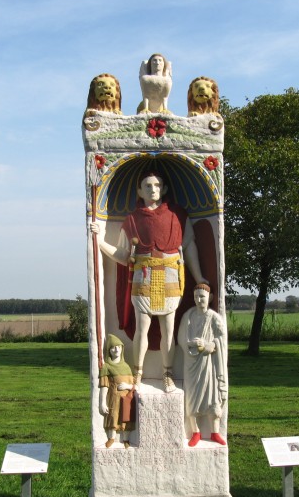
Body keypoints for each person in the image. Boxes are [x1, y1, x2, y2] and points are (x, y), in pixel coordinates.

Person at [91, 171, 206, 391]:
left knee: (168, 331)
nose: (153, 189)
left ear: (164, 189)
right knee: (141, 330)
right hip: (142, 278)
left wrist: (199, 276)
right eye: (148, 185)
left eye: (157, 185)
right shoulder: (132, 219)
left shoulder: (178, 215)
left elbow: (189, 246)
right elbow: (124, 255)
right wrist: (100, 241)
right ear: (139, 191)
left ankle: (167, 374)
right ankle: (138, 374)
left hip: (170, 277)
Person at [177, 283, 227, 447]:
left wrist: (208, 345)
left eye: (202, 297)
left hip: (209, 364)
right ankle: (195, 432)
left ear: (210, 298)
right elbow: (181, 338)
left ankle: (215, 432)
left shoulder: (214, 318)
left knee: (212, 397)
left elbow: (221, 340)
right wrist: (192, 345)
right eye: (196, 297)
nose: (199, 300)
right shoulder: (188, 316)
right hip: (192, 363)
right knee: (192, 398)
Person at [99, 334, 136, 448]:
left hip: (126, 398)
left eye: (118, 347)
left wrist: (127, 386)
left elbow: (133, 385)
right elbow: (104, 385)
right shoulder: (106, 367)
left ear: (122, 348)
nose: (116, 350)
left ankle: (126, 439)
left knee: (126, 417)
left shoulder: (126, 367)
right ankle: (111, 438)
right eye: (113, 347)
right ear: (109, 351)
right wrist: (102, 402)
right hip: (113, 398)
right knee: (113, 416)